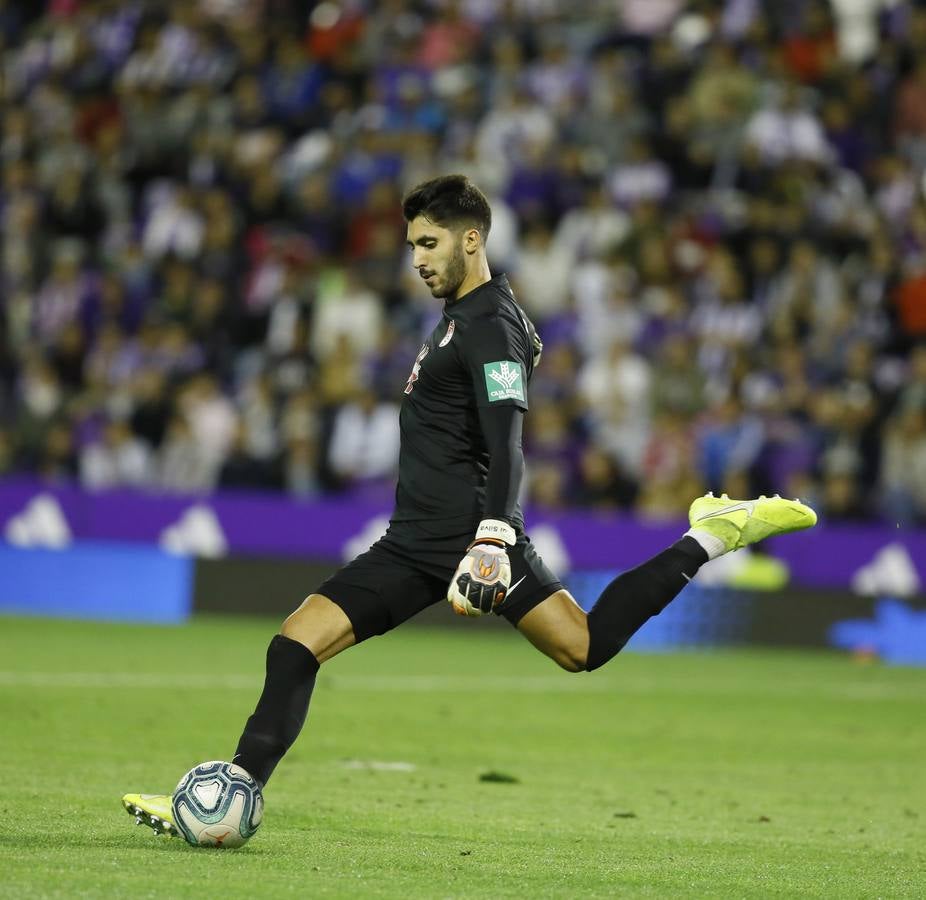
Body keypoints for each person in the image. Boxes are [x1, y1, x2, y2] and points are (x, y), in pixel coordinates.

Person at [122, 175, 816, 837]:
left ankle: (709, 536)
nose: (418, 261)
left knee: (582, 648)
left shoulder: (491, 324)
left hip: (471, 535)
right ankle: (233, 792)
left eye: (429, 244)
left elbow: (509, 437)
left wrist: (492, 537)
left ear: (471, 241)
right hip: (413, 542)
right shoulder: (461, 320)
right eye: (412, 247)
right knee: (296, 642)